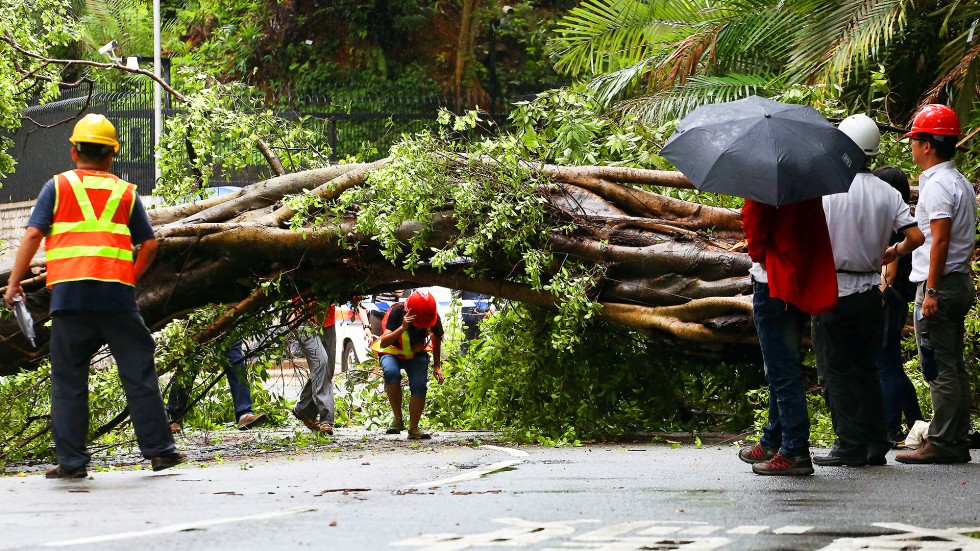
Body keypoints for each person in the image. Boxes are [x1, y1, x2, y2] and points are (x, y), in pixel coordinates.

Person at [4, 113, 183, 479]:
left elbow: (33, 236)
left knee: (69, 379)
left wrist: (14, 283)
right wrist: (129, 278)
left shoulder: (57, 187)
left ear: (73, 152)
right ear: (111, 156)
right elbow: (148, 244)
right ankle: (160, 451)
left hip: (71, 298)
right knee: (138, 371)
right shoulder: (125, 192)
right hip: (116, 297)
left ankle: (72, 463)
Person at [810, 114, 924, 468]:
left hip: (833, 291)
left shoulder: (827, 189)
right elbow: (916, 236)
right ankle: (876, 443)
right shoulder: (887, 192)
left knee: (836, 370)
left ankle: (849, 444)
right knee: (867, 368)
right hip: (870, 293)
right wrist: (893, 252)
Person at [896, 104, 977, 465]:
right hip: (955, 280)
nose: (912, 146)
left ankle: (943, 441)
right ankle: (955, 436)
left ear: (928, 145)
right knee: (952, 363)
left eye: (915, 140)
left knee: (937, 365)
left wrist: (930, 291)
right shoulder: (956, 180)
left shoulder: (938, 185)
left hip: (939, 285)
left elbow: (940, 241)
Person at [738, 197, 838, 476]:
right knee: (784, 368)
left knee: (782, 372)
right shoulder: (807, 188)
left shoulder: (762, 187)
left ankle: (794, 450)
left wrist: (758, 253)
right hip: (796, 280)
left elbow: (754, 227)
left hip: (773, 283)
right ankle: (773, 440)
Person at [873, 166, 925, 445]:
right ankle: (914, 418)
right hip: (900, 299)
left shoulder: (893, 221)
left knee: (885, 366)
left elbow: (889, 272)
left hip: (889, 299)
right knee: (892, 363)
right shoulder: (904, 217)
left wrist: (878, 296)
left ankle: (889, 429)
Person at [371, 289, 445, 439]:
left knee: (419, 384)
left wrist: (437, 366)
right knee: (391, 373)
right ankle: (398, 420)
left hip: (415, 355)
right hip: (392, 351)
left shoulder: (433, 315)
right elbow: (384, 342)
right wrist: (402, 327)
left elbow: (437, 339)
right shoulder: (397, 312)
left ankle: (414, 428)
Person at [166, 341, 267, 432]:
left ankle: (244, 414)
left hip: (227, 327)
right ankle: (173, 418)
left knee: (236, 362)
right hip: (199, 326)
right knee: (189, 364)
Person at [290, 300, 337, 434]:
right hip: (305, 320)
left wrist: (366, 326)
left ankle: (304, 409)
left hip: (328, 321)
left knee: (327, 369)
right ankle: (326, 419)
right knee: (321, 363)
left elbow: (355, 297)